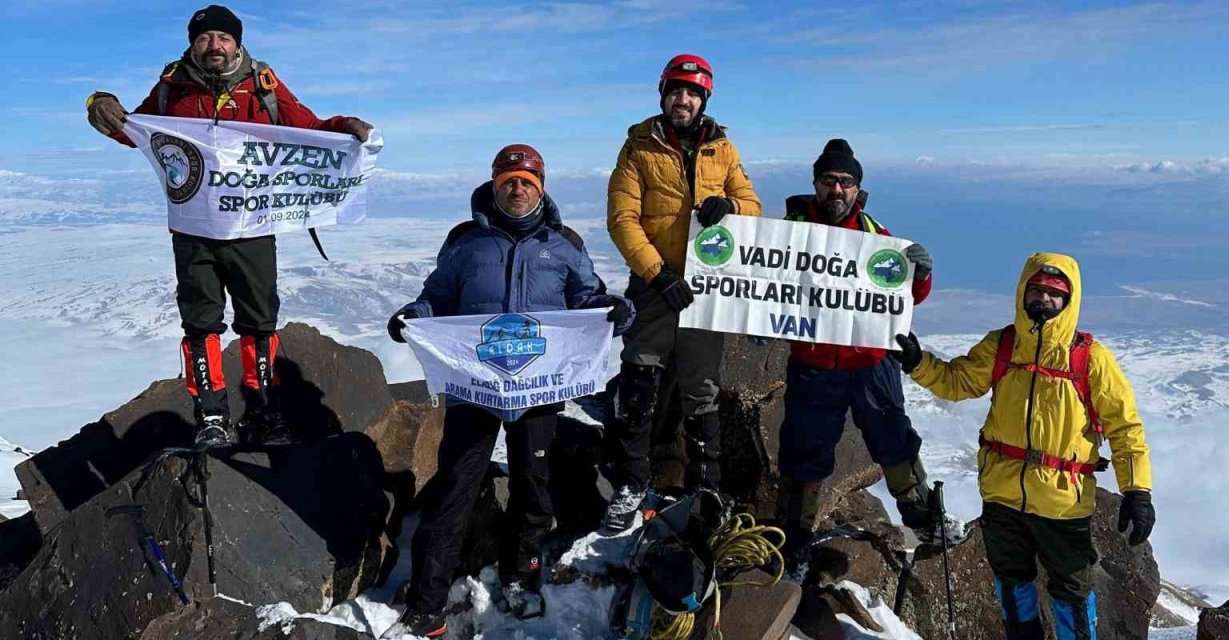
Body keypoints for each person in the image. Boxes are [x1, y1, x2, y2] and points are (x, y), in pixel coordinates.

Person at [84, 5, 373, 448]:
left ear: (236, 42)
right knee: (200, 324)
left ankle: (263, 412)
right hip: (193, 230)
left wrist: (344, 127)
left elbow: (309, 129)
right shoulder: (171, 88)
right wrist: (98, 102)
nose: (214, 46)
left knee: (259, 324)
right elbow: (130, 128)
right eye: (204, 38)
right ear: (192, 43)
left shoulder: (264, 87)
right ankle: (211, 416)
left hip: (252, 228)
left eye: (223, 38)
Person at [384, 144, 633, 637]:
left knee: (532, 485)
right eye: (508, 181)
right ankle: (427, 600)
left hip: (538, 387)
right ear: (494, 185)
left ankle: (521, 577)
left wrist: (612, 310)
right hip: (474, 386)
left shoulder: (564, 243)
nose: (517, 189)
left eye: (527, 182)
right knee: (455, 487)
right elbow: (436, 297)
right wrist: (415, 317)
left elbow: (586, 298)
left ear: (541, 187)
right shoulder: (465, 241)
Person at [894, 253, 1156, 640]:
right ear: (1023, 292)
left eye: (1054, 293)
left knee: (1071, 591)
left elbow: (1125, 428)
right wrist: (918, 363)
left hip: (1062, 504)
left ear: (1069, 301)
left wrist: (1137, 491)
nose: (1044, 299)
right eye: (1036, 289)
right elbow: (958, 382)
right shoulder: (1003, 345)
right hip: (1001, 496)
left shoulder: (1090, 359)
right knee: (1012, 585)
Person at [770, 139, 967, 557]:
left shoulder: (878, 238)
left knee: (893, 438)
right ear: (815, 184)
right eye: (828, 180)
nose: (837, 190)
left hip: (870, 360)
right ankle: (794, 538)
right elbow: (755, 281)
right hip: (815, 363)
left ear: (858, 189)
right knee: (805, 448)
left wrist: (921, 275)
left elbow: (902, 297)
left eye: (845, 182)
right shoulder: (786, 234)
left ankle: (925, 522)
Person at [602, 53, 762, 531]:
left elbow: (753, 207)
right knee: (640, 379)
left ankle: (705, 484)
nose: (684, 100)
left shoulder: (723, 149)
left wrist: (728, 205)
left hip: (706, 287)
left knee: (701, 387)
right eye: (676, 91)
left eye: (692, 92)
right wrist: (656, 273)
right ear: (664, 95)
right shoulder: (638, 147)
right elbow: (622, 219)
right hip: (656, 286)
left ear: (704, 98)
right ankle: (631, 481)